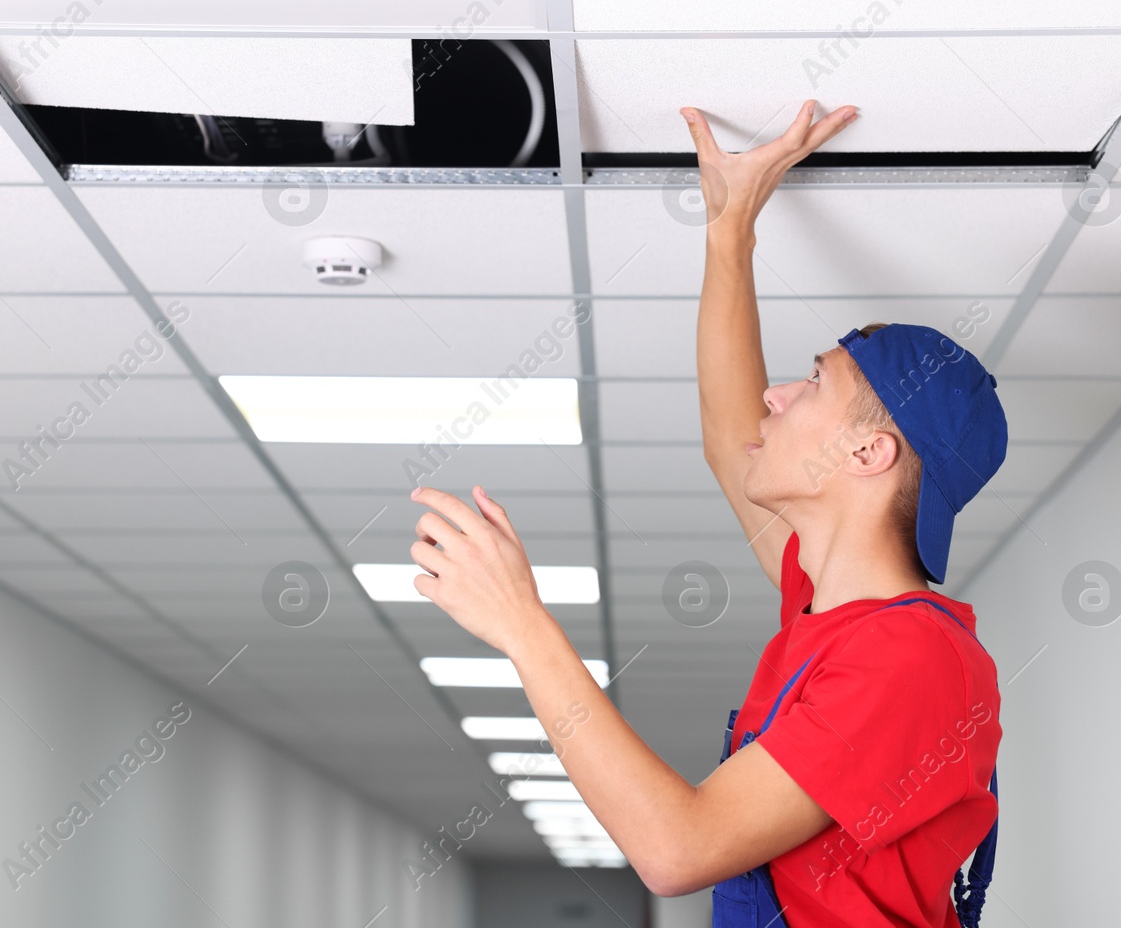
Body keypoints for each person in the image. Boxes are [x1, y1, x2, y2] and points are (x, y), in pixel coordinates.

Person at [408, 99, 1006, 927]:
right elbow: (735, 442)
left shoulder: (907, 658)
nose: (776, 393)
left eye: (816, 381)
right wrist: (730, 234)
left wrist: (521, 624)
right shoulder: (837, 611)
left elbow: (677, 849)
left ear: (870, 455)